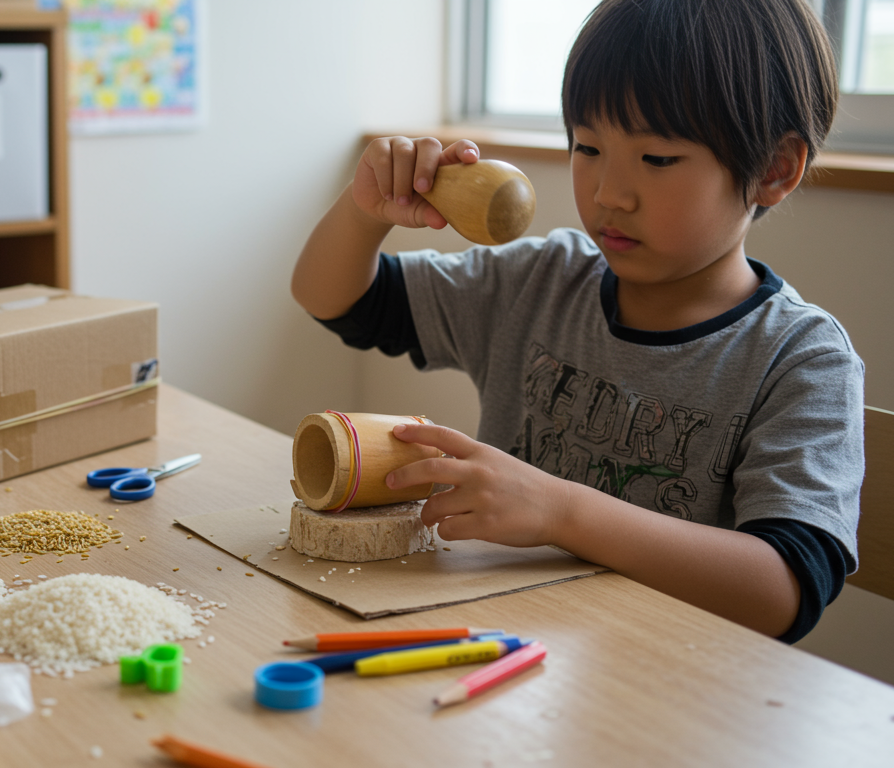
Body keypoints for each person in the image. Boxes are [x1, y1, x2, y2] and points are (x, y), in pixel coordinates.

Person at [291, 0, 862, 642]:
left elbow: (783, 591)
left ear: (775, 169)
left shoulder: (802, 359)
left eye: (658, 158)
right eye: (588, 146)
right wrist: (365, 211)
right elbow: (335, 299)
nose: (607, 194)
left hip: (668, 678)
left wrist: (560, 511)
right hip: (503, 649)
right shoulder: (543, 280)